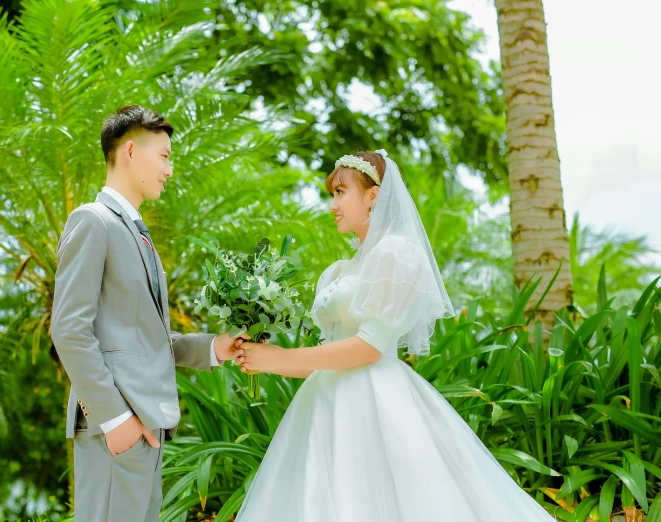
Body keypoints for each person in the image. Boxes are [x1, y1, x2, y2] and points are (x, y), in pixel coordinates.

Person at [234, 149, 555, 521]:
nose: (332, 205)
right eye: (331, 194)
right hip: (323, 403)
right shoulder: (336, 271)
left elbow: (369, 347)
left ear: (373, 196)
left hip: (374, 401)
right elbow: (330, 352)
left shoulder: (396, 254)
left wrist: (278, 360)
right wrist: (263, 357)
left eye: (341, 193)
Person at [50, 104, 245, 522]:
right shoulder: (93, 221)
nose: (169, 170)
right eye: (165, 156)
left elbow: (145, 338)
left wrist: (216, 348)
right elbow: (68, 331)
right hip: (116, 426)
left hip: (145, 428)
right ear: (132, 152)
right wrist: (115, 420)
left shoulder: (137, 235)